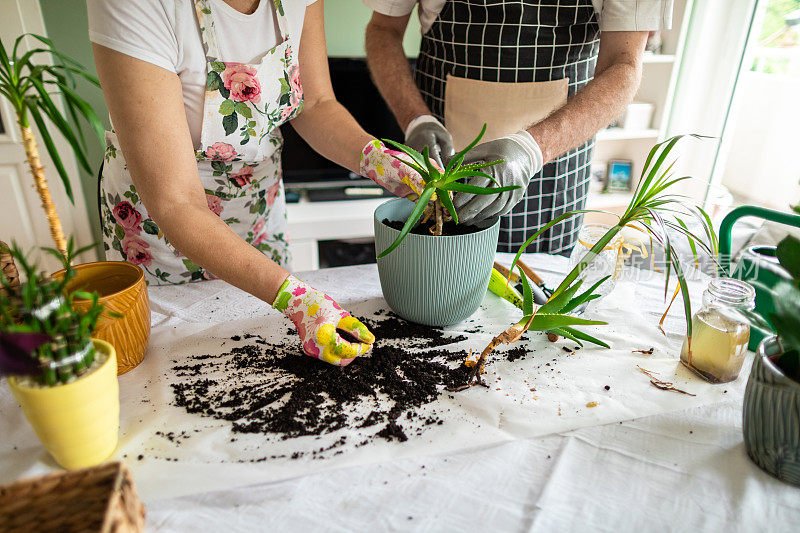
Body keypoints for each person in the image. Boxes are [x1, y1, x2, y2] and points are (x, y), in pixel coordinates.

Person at [88, 0, 429, 367]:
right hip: (163, 234)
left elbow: (314, 104)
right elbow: (176, 203)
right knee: (179, 363)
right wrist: (298, 299)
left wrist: (382, 162)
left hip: (258, 211)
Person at [364, 0, 673, 254]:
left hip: (553, 165)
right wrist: (416, 119)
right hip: (439, 161)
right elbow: (383, 30)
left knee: (534, 309)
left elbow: (624, 65)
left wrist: (530, 150)